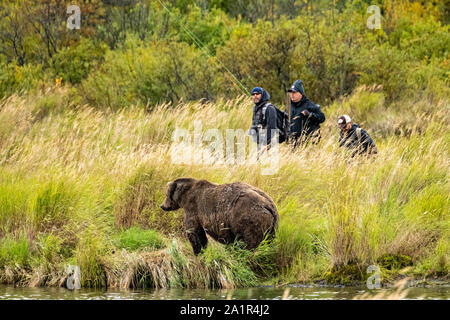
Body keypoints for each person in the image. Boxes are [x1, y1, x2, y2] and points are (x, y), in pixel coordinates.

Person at [287, 79, 325, 146]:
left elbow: (322, 118)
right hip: (293, 142)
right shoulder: (289, 106)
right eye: (291, 92)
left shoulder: (309, 105)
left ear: (301, 93)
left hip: (308, 143)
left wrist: (310, 115)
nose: (292, 95)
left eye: (294, 92)